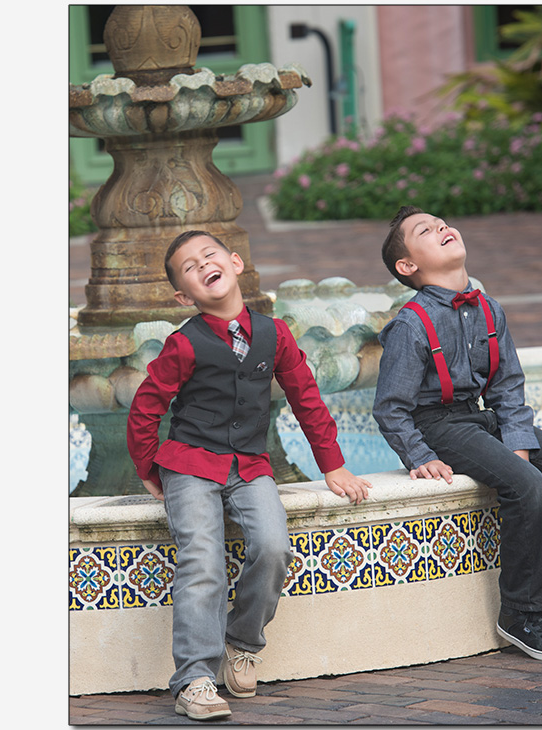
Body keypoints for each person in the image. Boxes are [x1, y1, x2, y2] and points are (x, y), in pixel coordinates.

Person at [127, 230, 372, 720]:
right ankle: (194, 678)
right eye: (190, 267)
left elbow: (306, 396)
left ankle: (242, 641)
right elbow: (146, 406)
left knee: (274, 546)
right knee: (202, 559)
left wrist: (333, 463)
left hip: (250, 465)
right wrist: (149, 466)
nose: (203, 265)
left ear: (235, 262)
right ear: (184, 295)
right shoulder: (184, 343)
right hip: (190, 464)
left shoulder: (274, 333)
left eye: (210, 256)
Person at [372, 206, 542, 663]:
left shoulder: (488, 308)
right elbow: (390, 407)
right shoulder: (409, 324)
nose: (441, 228)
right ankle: (522, 612)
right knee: (527, 484)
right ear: (408, 266)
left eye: (441, 223)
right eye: (425, 230)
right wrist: (418, 454)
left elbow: (507, 387)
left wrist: (518, 445)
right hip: (437, 424)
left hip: (481, 419)